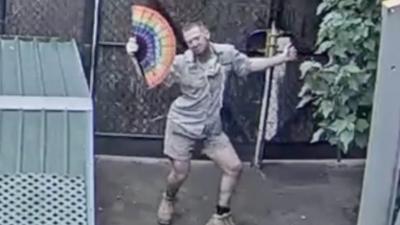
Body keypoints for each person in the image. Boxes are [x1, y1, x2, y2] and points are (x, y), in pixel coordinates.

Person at [126, 21, 297, 225]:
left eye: (197, 38)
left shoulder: (226, 54)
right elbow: (154, 82)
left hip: (211, 127)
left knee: (234, 167)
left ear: (206, 34)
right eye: (189, 42)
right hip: (183, 125)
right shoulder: (181, 63)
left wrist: (281, 58)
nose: (194, 44)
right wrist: (136, 58)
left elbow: (248, 65)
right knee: (180, 173)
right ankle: (168, 198)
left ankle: (221, 215)